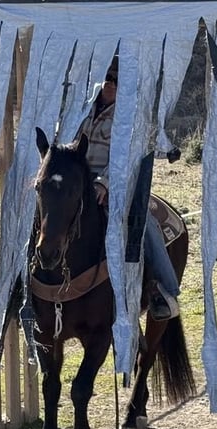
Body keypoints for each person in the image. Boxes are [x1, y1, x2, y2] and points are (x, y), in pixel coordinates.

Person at [76, 57, 180, 321]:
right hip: (78, 181)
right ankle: (26, 283)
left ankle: (162, 288)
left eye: (117, 79)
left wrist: (104, 183)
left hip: (115, 185)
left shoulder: (130, 116)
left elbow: (127, 156)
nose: (110, 84)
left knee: (142, 224)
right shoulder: (80, 111)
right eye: (108, 78)